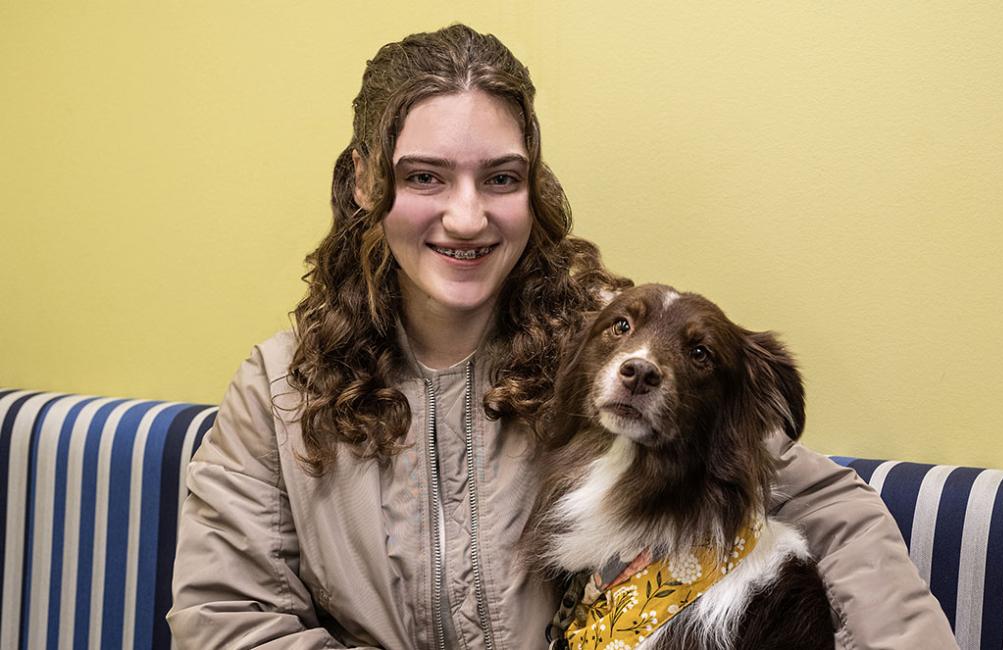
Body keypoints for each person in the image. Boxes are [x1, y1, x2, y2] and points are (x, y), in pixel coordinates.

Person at [168, 23, 957, 649]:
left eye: (501, 178)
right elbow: (226, 621)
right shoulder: (280, 392)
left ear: (532, 188)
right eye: (426, 176)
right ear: (367, 181)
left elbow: (829, 511)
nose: (468, 215)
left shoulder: (613, 344)